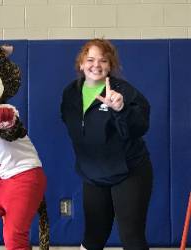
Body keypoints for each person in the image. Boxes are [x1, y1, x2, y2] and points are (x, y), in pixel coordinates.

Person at [60, 38, 153, 250]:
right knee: (93, 236)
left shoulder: (123, 91)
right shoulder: (71, 93)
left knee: (132, 238)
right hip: (93, 174)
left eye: (103, 60)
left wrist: (121, 110)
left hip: (129, 172)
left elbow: (139, 127)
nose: (96, 65)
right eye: (90, 59)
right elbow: (73, 125)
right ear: (81, 64)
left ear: (110, 66)